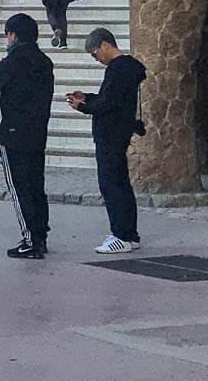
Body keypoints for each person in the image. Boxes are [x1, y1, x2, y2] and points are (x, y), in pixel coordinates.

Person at [68, 27, 148, 254]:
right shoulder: (126, 69)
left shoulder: (119, 69)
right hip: (118, 131)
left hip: (111, 134)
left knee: (112, 184)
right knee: (119, 183)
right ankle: (128, 234)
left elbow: (108, 104)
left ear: (105, 45)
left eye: (95, 53)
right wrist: (88, 98)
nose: (96, 59)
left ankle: (121, 234)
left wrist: (83, 106)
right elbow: (110, 98)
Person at [0, 13, 54, 259]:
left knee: (19, 188)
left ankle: (30, 240)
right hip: (37, 133)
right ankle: (41, 236)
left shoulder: (12, 62)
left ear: (13, 35)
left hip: (12, 134)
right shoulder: (45, 63)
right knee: (36, 185)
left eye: (8, 34)